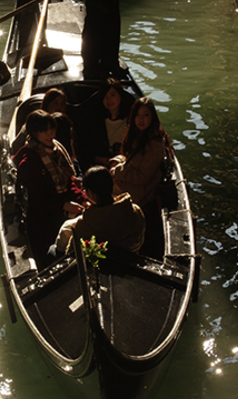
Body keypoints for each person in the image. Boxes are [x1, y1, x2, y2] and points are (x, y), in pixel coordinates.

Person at [15, 110, 86, 267]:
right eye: (44, 131)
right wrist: (64, 206)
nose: (50, 135)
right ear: (34, 133)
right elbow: (35, 201)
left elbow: (68, 183)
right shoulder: (29, 162)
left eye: (52, 130)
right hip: (43, 220)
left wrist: (83, 199)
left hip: (61, 208)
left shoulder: (57, 150)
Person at [55, 166, 146, 256]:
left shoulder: (86, 223)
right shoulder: (135, 211)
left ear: (90, 192)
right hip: (131, 258)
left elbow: (72, 254)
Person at [110, 97, 169, 210]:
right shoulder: (139, 135)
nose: (141, 119)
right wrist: (117, 161)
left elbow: (143, 177)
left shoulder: (154, 145)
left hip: (139, 194)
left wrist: (118, 171)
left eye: (145, 115)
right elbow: (131, 159)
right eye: (137, 115)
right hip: (130, 185)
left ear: (152, 117)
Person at [41, 87, 75, 161]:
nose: (59, 107)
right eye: (55, 103)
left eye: (62, 104)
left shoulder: (67, 124)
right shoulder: (37, 124)